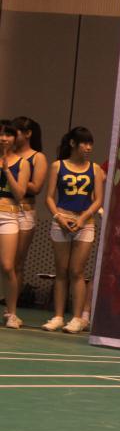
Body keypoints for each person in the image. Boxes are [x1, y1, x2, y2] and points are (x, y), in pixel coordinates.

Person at [42, 127, 104, 333]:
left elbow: (98, 200)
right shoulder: (57, 166)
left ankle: (77, 318)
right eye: (84, 143)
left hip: (85, 223)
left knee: (77, 271)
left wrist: (83, 218)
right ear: (73, 144)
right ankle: (58, 316)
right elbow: (49, 197)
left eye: (90, 143)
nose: (88, 147)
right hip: (61, 219)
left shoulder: (95, 169)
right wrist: (58, 217)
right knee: (61, 271)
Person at [12, 116, 46, 308]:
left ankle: (11, 305)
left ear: (27, 134)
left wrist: (17, 178)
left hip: (24, 211)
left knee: (16, 262)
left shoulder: (37, 157)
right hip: (4, 207)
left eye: (14, 132)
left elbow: (37, 187)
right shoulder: (7, 154)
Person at [0, 120, 29, 328]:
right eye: (1, 134)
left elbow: (20, 194)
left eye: (8, 134)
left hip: (9, 215)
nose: (4, 138)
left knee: (8, 265)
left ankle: (11, 313)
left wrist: (7, 170)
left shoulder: (22, 163)